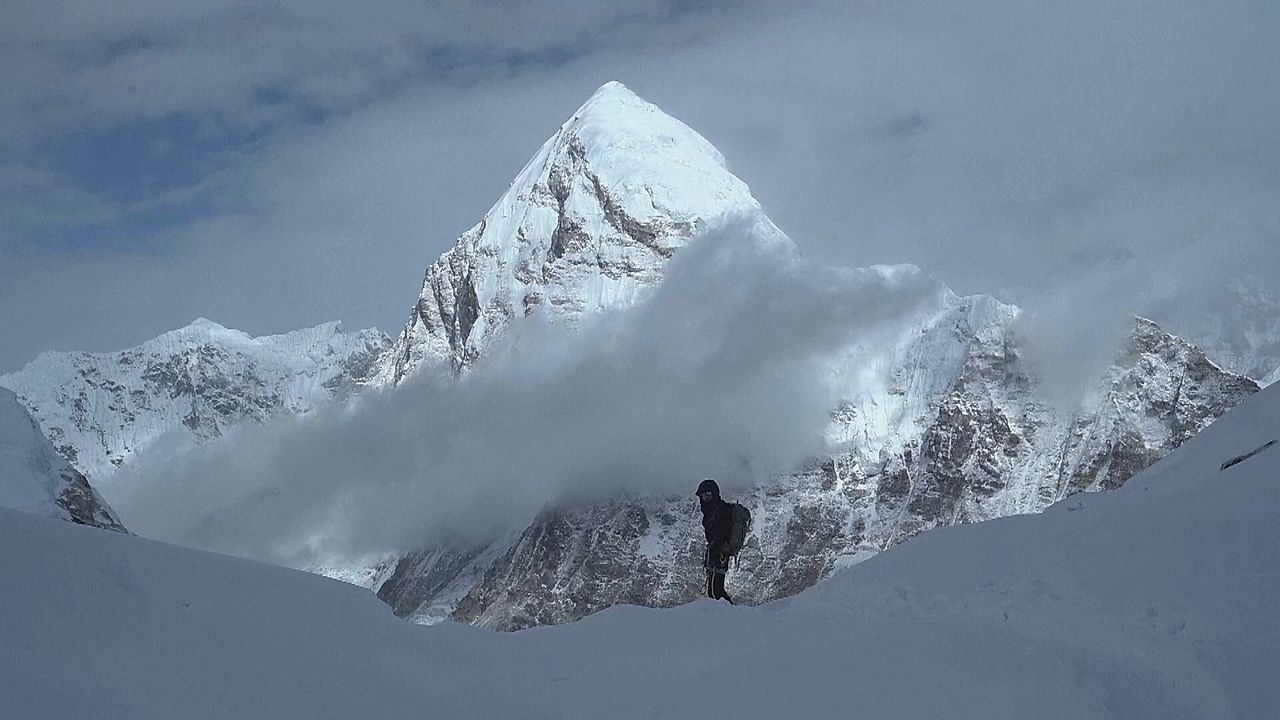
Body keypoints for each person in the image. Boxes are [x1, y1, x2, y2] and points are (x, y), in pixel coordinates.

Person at [696, 478, 735, 604]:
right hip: (718, 552)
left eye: (708, 495)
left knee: (716, 590)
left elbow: (721, 534)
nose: (705, 498)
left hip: (720, 553)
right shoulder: (713, 511)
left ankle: (730, 614)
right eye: (703, 495)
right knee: (714, 590)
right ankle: (726, 614)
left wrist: (715, 554)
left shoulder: (720, 511)